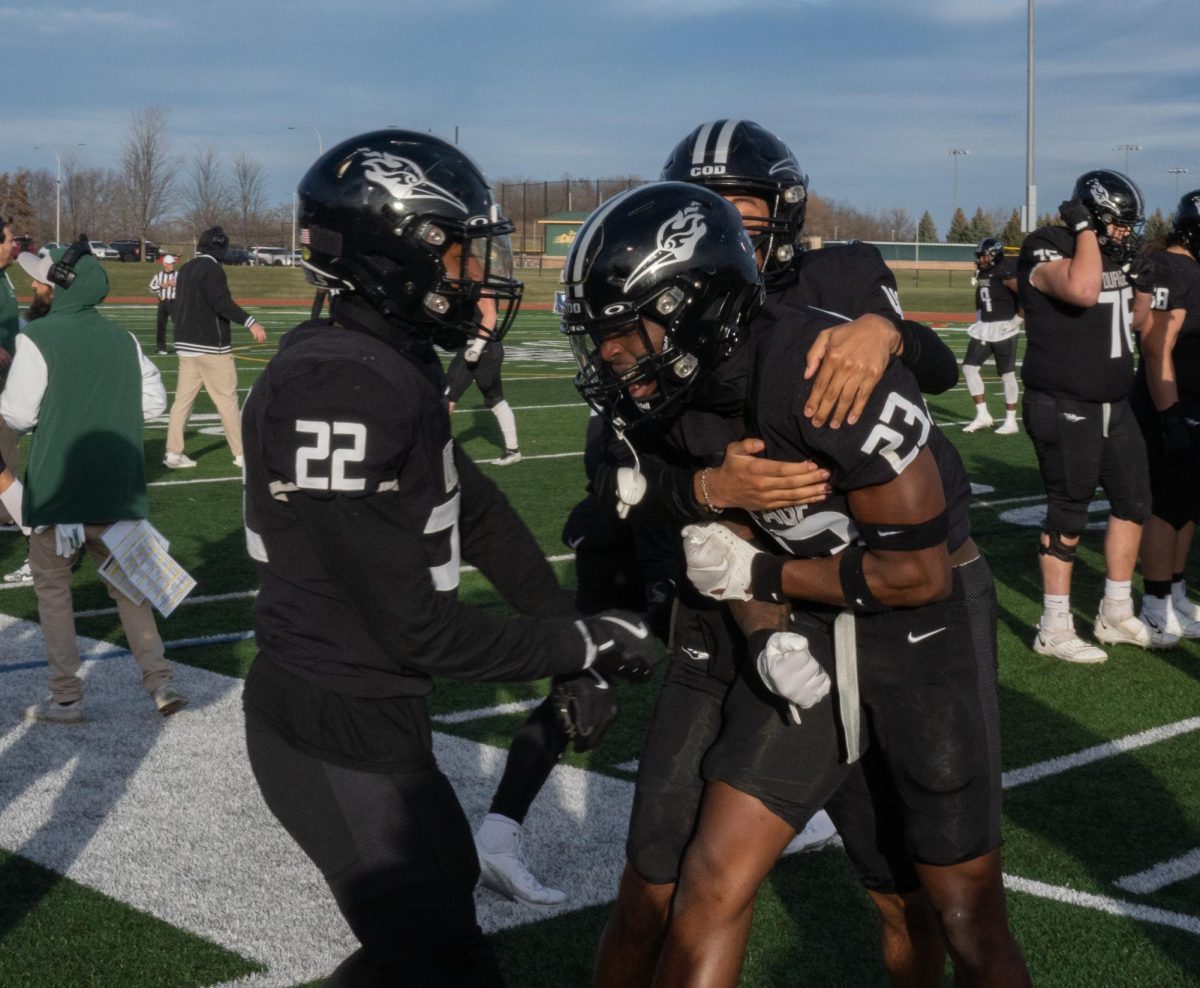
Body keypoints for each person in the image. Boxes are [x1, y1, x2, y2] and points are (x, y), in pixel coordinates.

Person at [567, 182, 1027, 987]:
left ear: (693, 309)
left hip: (924, 635)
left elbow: (914, 576)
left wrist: (761, 574)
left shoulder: (821, 374)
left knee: (964, 917)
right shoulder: (672, 396)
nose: (610, 357)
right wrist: (763, 618)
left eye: (624, 333)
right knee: (710, 880)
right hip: (804, 623)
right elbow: (702, 528)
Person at [239, 130, 659, 987]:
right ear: (400, 256)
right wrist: (589, 644)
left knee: (439, 926)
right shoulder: (341, 388)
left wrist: (564, 634)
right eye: (461, 256)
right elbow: (418, 630)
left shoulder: (382, 365)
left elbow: (486, 517)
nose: (475, 278)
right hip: (329, 720)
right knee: (443, 960)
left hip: (372, 715)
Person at [473, 412, 680, 906]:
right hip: (642, 536)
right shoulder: (647, 372)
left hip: (618, 530)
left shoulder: (620, 375)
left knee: (585, 687)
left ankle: (497, 838)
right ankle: (780, 806)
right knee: (593, 688)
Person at [0, 245, 187, 722]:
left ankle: (67, 696)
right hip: (115, 490)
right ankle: (160, 682)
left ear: (60, 286)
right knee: (130, 590)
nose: (35, 287)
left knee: (54, 591)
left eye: (41, 281)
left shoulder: (39, 336)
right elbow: (153, 405)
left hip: (59, 489)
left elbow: (18, 414)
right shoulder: (123, 339)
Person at [1018, 169, 1167, 662]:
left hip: (1113, 403)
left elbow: (1134, 325)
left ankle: (1115, 611)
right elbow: (1082, 291)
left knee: (1134, 503)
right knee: (1070, 510)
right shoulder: (1047, 243)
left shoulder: (1114, 253)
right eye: (1118, 222)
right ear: (1092, 214)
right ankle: (1053, 624)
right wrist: (1084, 232)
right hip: (1063, 402)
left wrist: (1141, 290)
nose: (1126, 232)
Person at [1130, 190, 1200, 640]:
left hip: (1192, 399)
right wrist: (1170, 413)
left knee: (1186, 501)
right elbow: (1156, 346)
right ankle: (1155, 600)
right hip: (1169, 401)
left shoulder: (1189, 267)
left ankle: (1174, 590)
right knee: (1163, 502)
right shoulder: (1171, 268)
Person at [163, 226, 266, 469]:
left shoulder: (187, 268)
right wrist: (250, 321)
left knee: (182, 402)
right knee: (227, 401)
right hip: (211, 347)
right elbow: (221, 303)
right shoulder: (212, 269)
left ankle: (173, 453)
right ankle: (241, 454)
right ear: (220, 246)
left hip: (186, 345)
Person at [963, 236, 1022, 434]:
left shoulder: (1005, 271)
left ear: (995, 255)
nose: (981, 259)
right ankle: (982, 415)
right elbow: (980, 298)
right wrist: (979, 317)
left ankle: (1011, 420)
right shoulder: (984, 273)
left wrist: (1017, 321)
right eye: (979, 256)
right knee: (970, 368)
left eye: (984, 256)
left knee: (1006, 375)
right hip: (984, 327)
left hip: (1005, 327)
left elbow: (1025, 296)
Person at [0, 219, 32, 585]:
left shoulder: (5, 279)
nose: (15, 245)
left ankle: (38, 541)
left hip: (5, 393)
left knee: (8, 469)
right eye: (9, 240)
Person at [444, 330, 521, 464]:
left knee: (494, 400)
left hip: (484, 348)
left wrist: (477, 348)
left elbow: (489, 316)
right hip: (469, 346)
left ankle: (513, 451)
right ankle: (432, 448)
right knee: (446, 397)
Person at [149, 253, 178, 355]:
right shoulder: (158, 275)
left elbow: (186, 287)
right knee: (161, 325)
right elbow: (151, 288)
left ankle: (180, 346)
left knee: (177, 324)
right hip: (162, 301)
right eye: (170, 264)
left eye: (173, 264)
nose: (172, 265)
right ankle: (161, 348)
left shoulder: (178, 275)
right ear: (164, 264)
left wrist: (176, 285)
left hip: (174, 302)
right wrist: (162, 285)